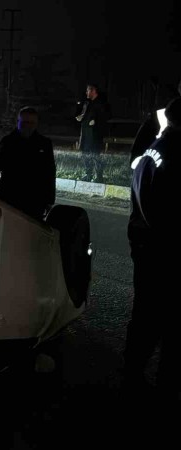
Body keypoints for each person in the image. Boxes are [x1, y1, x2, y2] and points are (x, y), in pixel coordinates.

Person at [123, 97, 181, 402]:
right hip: (166, 253)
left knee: (145, 316)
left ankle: (131, 375)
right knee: (168, 322)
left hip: (146, 247)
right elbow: (168, 214)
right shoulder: (176, 155)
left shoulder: (153, 151)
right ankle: (163, 388)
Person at [0, 107, 55, 220]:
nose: (28, 126)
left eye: (32, 123)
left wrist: (49, 200)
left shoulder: (44, 144)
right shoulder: (7, 142)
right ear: (18, 122)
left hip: (34, 200)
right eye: (25, 122)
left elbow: (49, 172)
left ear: (36, 124)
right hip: (9, 197)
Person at [76, 83, 111, 182]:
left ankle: (99, 176)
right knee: (85, 154)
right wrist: (81, 117)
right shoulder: (87, 103)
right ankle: (88, 174)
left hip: (95, 135)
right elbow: (83, 114)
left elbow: (106, 117)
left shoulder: (101, 104)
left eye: (88, 90)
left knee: (95, 155)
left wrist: (96, 121)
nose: (86, 92)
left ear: (93, 91)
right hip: (85, 133)